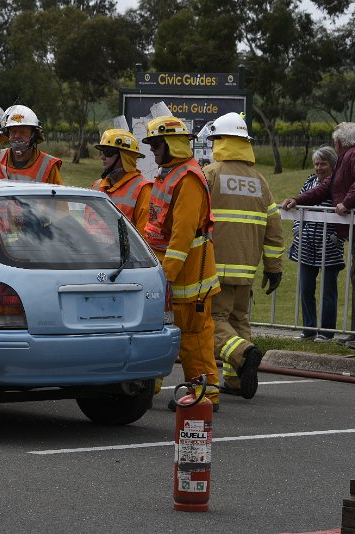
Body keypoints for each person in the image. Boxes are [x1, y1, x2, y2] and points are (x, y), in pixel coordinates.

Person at [203, 112, 284, 400]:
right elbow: (273, 226)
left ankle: (243, 354)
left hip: (214, 268)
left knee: (212, 322)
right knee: (239, 321)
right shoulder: (259, 181)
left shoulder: (211, 174)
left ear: (222, 141)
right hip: (247, 269)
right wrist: (274, 267)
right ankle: (237, 382)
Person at [142, 114, 221, 411]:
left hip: (190, 278)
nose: (151, 150)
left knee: (193, 337)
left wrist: (166, 276)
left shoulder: (187, 178)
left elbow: (182, 234)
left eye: (156, 144)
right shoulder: (170, 174)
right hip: (175, 274)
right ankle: (149, 389)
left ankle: (205, 396)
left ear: (171, 144)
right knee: (167, 333)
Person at [281, 122, 355, 350]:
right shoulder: (347, 159)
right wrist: (297, 200)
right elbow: (323, 189)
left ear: (338, 143)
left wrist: (347, 202)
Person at [288, 146, 344, 342]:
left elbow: (344, 213)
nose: (319, 167)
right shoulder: (310, 181)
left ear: (333, 164)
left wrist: (338, 238)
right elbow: (299, 207)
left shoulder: (338, 185)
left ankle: (326, 333)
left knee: (328, 292)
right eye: (316, 164)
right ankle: (308, 330)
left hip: (329, 246)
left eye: (323, 164)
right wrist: (297, 229)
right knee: (306, 289)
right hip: (306, 244)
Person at [90, 128, 150, 236]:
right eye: (102, 152)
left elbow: (143, 241)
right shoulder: (97, 186)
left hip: (123, 253)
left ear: (125, 157)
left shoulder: (143, 190)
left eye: (108, 152)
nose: (102, 157)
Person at [0, 105, 63, 184]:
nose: (17, 136)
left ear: (33, 135)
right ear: (8, 134)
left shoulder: (48, 166)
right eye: (13, 131)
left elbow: (58, 195)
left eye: (22, 132)